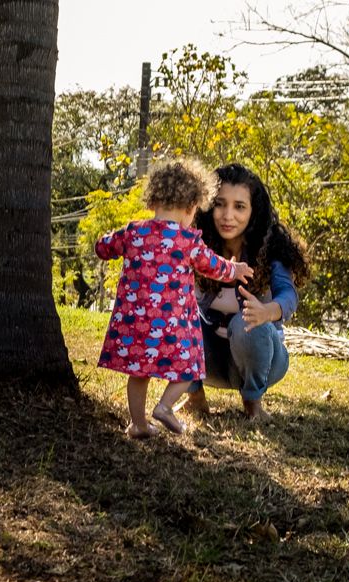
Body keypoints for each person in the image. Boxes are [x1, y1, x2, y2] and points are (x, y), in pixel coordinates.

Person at [96, 158, 253, 438]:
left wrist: (105, 241)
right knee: (190, 368)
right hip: (173, 326)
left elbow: (103, 247)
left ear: (153, 201)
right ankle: (165, 407)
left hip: (136, 324)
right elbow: (215, 266)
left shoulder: (134, 231)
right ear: (192, 207)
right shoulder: (187, 241)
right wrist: (236, 269)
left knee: (139, 374)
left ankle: (138, 424)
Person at [185, 163, 311, 421]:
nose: (227, 215)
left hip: (263, 361)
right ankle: (194, 398)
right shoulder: (194, 244)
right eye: (220, 204)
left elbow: (288, 296)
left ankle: (253, 403)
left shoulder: (270, 248)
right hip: (210, 363)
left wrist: (268, 312)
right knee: (178, 313)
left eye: (239, 206)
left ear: (254, 212)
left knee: (248, 323)